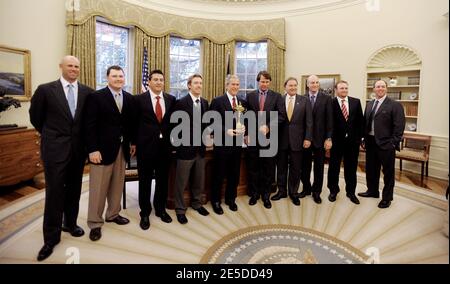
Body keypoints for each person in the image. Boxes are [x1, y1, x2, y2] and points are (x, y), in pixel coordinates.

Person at [29, 55, 93, 261]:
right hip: (55, 150)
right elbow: (36, 118)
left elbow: (87, 122)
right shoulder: (46, 90)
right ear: (61, 67)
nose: (74, 69)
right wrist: (53, 136)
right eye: (70, 66)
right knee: (55, 193)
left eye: (77, 66)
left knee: (74, 191)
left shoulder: (87, 92)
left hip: (77, 152)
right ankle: (50, 238)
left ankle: (70, 224)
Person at [84, 65, 135, 241]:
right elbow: (89, 126)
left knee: (117, 185)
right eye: (115, 76)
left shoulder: (129, 98)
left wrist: (132, 142)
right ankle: (95, 222)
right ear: (107, 78)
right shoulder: (95, 97)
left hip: (122, 149)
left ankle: (113, 214)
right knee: (98, 188)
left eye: (121, 76)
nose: (118, 79)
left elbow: (129, 124)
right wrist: (92, 149)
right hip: (101, 151)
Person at [133, 70, 176, 230]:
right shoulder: (138, 99)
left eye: (161, 80)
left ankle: (160, 209)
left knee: (163, 180)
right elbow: (133, 123)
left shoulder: (171, 99)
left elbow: (173, 124)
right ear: (149, 82)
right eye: (155, 79)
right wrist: (133, 143)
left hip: (165, 148)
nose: (158, 82)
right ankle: (144, 212)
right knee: (144, 181)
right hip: (145, 147)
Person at [359, 80, 405, 208]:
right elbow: (365, 123)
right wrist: (363, 138)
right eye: (378, 86)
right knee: (371, 169)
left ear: (386, 89)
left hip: (386, 144)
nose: (380, 88)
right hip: (371, 142)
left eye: (383, 86)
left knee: (388, 173)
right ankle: (372, 191)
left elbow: (399, 127)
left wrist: (393, 143)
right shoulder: (370, 104)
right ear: (373, 89)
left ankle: (387, 198)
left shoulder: (395, 105)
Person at [171, 74, 210, 224]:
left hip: (200, 149)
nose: (199, 85)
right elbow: (175, 125)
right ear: (189, 85)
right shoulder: (180, 102)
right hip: (185, 149)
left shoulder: (205, 103)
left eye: (200, 83)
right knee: (181, 181)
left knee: (198, 180)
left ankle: (197, 203)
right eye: (196, 83)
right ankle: (180, 209)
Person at [245, 70, 286, 209]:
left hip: (270, 138)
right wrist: (246, 134)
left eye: (267, 82)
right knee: (254, 167)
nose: (264, 84)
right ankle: (254, 194)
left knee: (268, 168)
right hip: (254, 138)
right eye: (262, 81)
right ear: (258, 81)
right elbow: (246, 116)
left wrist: (268, 127)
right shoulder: (250, 96)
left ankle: (266, 195)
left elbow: (281, 116)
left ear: (270, 82)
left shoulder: (277, 97)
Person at [272, 77, 312, 206]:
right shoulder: (279, 100)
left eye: (295, 85)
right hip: (281, 140)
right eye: (290, 85)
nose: (293, 87)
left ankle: (293, 193)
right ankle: (281, 191)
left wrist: (308, 138)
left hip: (298, 140)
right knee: (281, 168)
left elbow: (309, 122)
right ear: (285, 87)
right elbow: (275, 119)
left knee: (296, 168)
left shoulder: (304, 100)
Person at [209, 75, 246, 215]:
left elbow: (245, 120)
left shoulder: (242, 101)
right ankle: (216, 201)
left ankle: (231, 199)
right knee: (218, 174)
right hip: (222, 145)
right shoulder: (217, 101)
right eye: (233, 84)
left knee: (234, 174)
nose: (236, 87)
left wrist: (244, 128)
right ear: (227, 85)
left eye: (237, 84)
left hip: (237, 145)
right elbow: (211, 122)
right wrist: (226, 130)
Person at [327, 80, 364, 204]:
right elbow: (328, 122)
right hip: (336, 142)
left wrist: (360, 138)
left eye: (346, 88)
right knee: (334, 168)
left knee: (351, 168)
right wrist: (328, 139)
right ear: (336, 90)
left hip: (352, 142)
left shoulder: (356, 102)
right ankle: (333, 191)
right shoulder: (330, 103)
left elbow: (360, 122)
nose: (344, 90)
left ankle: (351, 192)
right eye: (341, 88)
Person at [299, 75, 333, 204]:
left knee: (319, 167)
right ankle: (306, 188)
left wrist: (328, 138)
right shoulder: (301, 98)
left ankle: (316, 192)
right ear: (307, 84)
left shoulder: (327, 99)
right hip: (305, 139)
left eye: (316, 82)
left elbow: (330, 120)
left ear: (319, 84)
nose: (314, 84)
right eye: (312, 82)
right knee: (305, 167)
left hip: (320, 139)